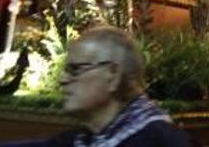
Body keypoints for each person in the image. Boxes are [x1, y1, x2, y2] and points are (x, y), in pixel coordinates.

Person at [47, 26, 190, 147]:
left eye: (75, 69)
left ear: (113, 76)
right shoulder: (80, 139)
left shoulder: (162, 141)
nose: (63, 79)